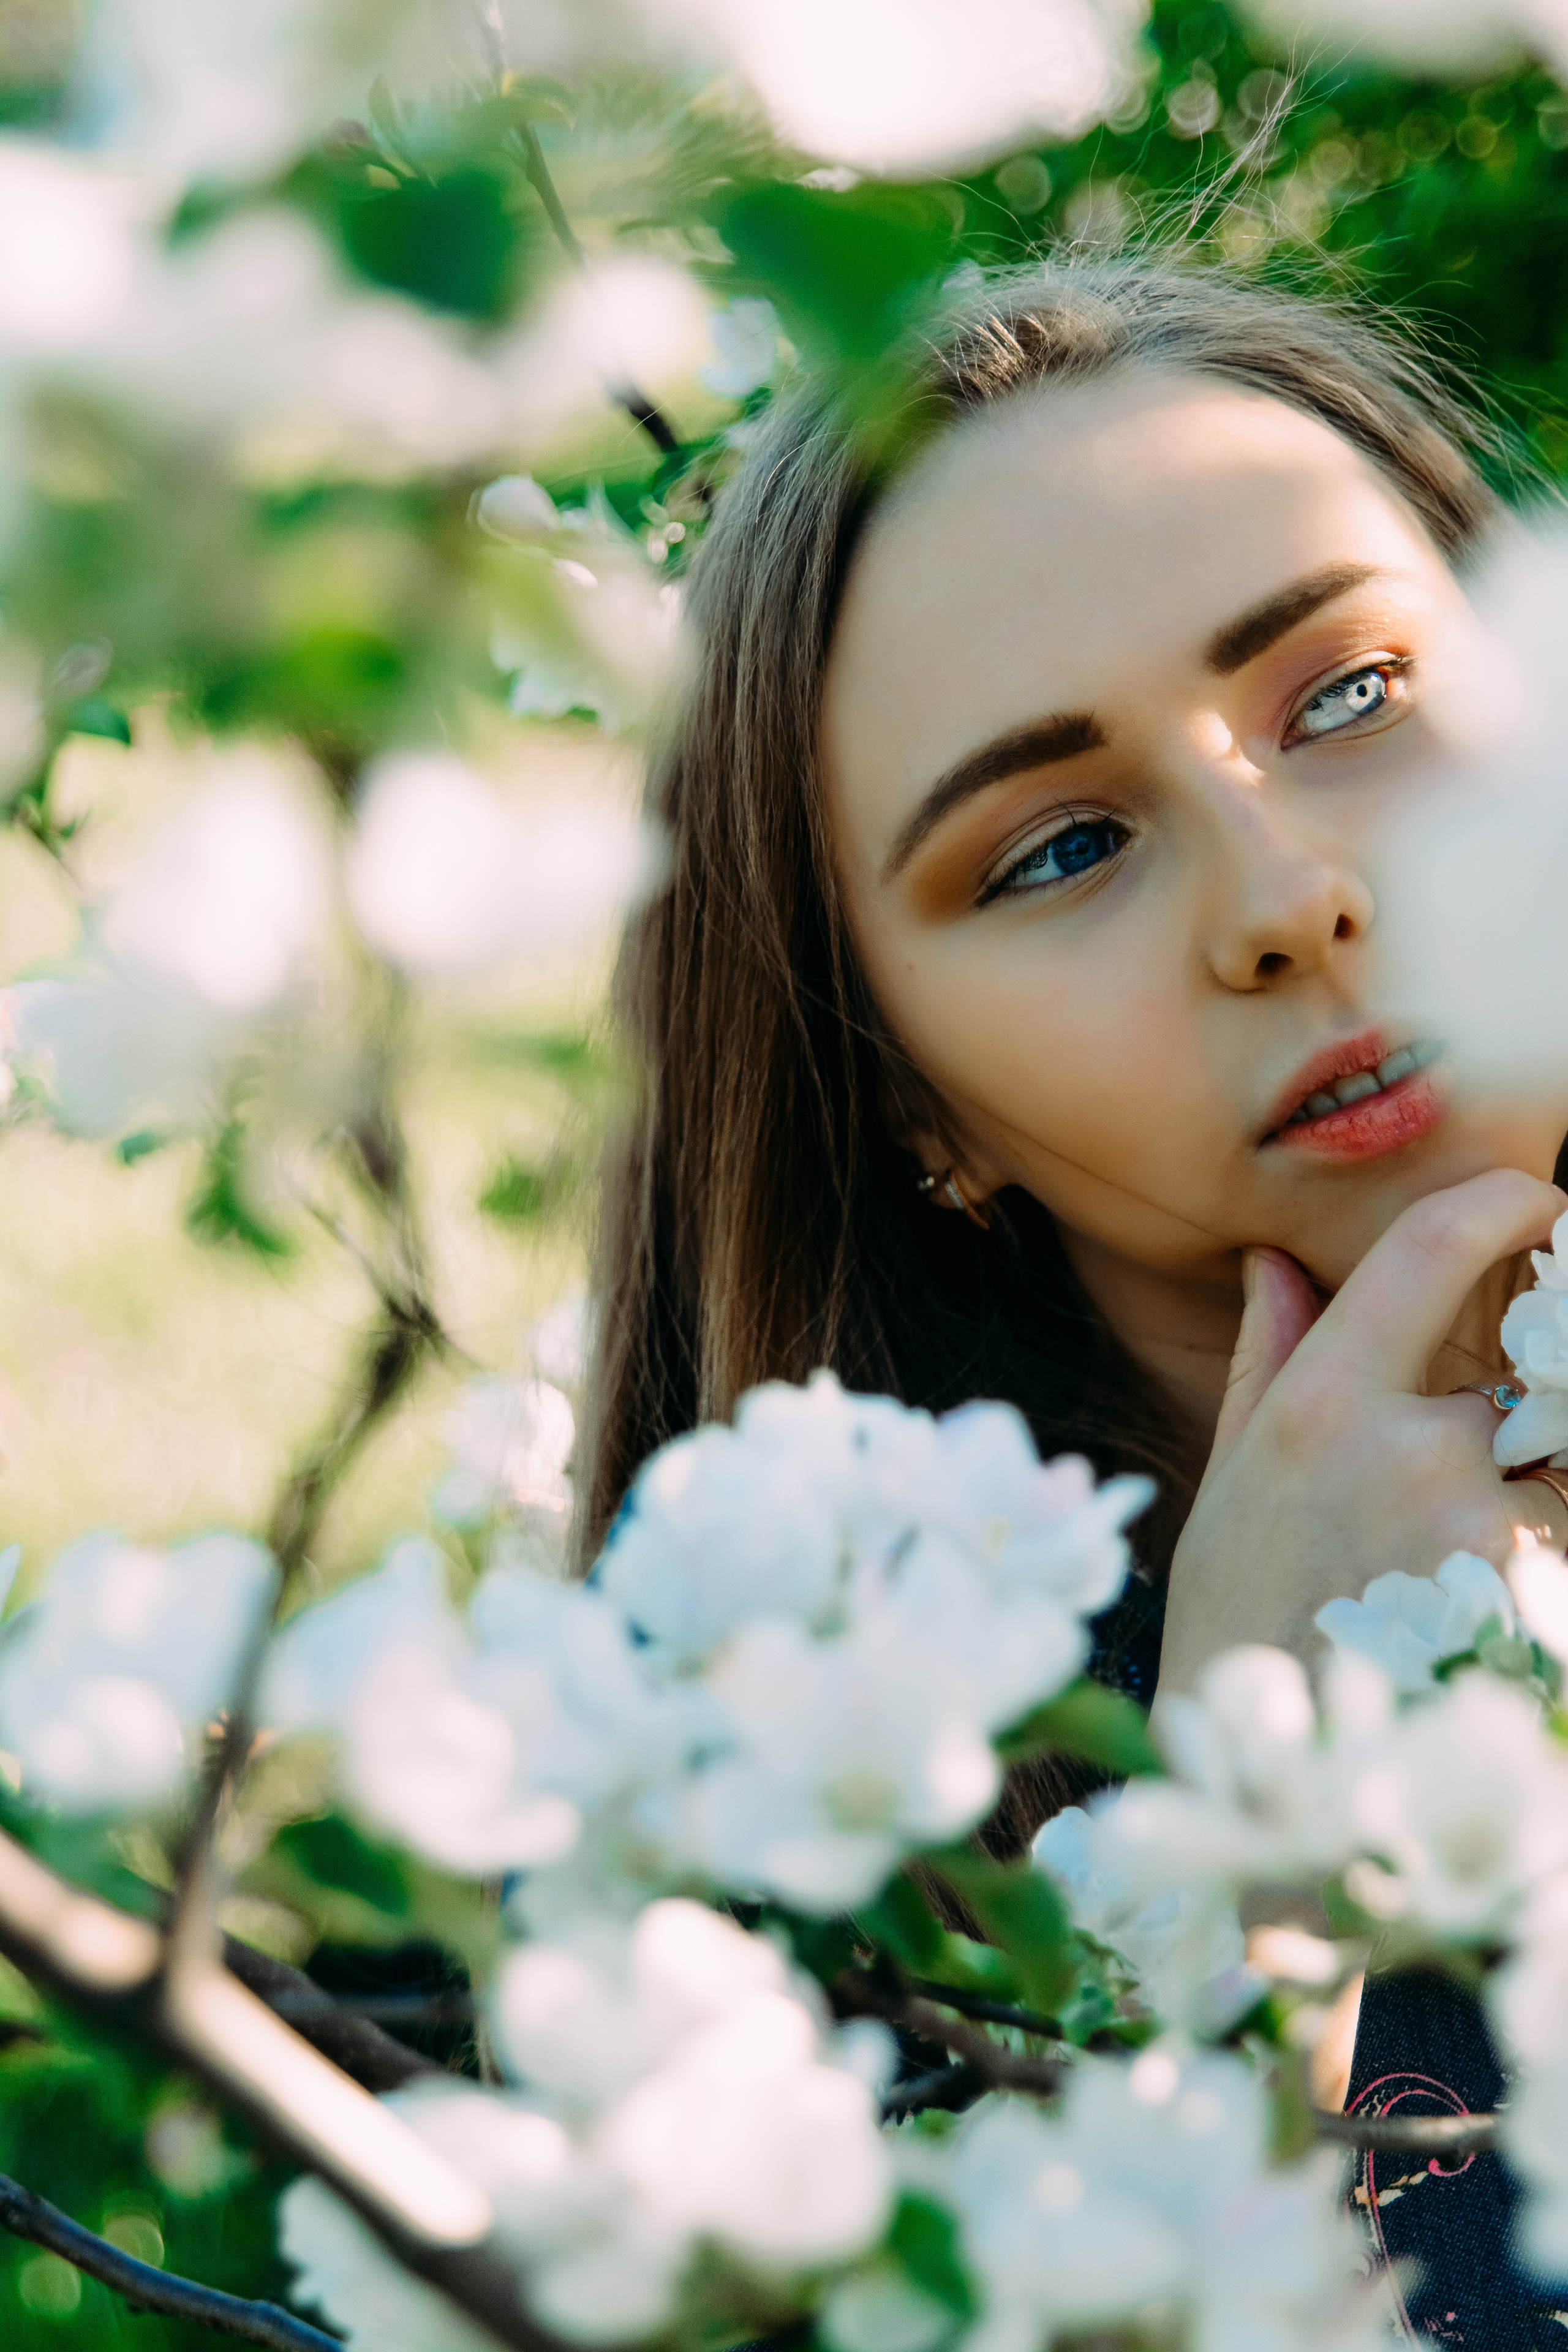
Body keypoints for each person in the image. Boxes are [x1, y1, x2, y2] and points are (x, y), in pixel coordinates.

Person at [578, 257, 1568, 2343]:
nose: (1289, 897)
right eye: (1056, 850)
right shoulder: (810, 1913)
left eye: (1351, 696)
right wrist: (1233, 1864)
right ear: (902, 1099)